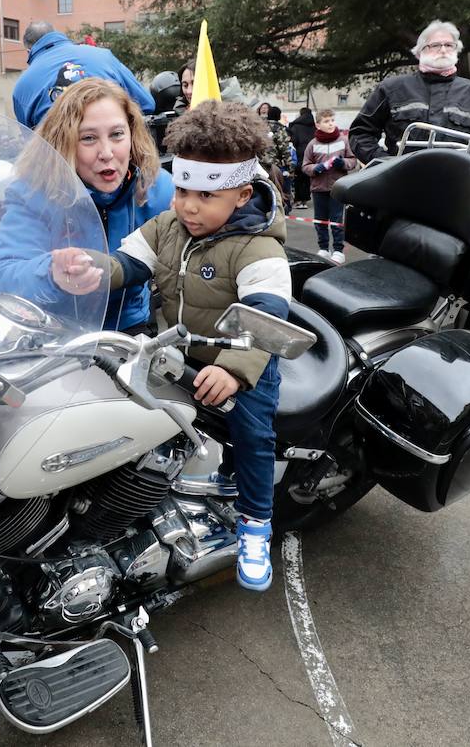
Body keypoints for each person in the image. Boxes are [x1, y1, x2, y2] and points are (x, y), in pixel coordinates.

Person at [51, 99, 289, 591]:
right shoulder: (168, 227)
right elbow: (127, 264)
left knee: (253, 437)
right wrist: (91, 270)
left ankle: (255, 525)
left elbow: (267, 318)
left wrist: (236, 369)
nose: (188, 205)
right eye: (181, 189)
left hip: (240, 362)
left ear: (243, 195)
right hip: (174, 351)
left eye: (205, 195)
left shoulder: (260, 249)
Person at [0, 77, 174, 332]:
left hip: (130, 329)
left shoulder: (159, 188)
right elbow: (1, 276)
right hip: (54, 332)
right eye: (88, 138)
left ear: (132, 134)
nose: (106, 152)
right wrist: (51, 272)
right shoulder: (33, 192)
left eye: (117, 134)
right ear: (64, 142)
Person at [348, 20, 470, 163]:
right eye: (435, 45)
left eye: (449, 45)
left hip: (457, 183)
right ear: (419, 51)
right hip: (401, 183)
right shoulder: (392, 88)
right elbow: (360, 133)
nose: (443, 50)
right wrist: (385, 164)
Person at [13, 21, 154, 129]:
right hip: (117, 156)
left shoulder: (22, 85)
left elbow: (31, 142)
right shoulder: (103, 56)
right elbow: (147, 105)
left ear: (28, 50)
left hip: (62, 162)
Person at [302, 110, 358, 262]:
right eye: (326, 121)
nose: (331, 123)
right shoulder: (312, 144)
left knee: (336, 219)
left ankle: (338, 250)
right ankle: (323, 248)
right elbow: (305, 165)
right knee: (320, 220)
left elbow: (353, 161)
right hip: (318, 189)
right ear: (318, 124)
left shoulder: (343, 140)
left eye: (332, 120)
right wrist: (316, 168)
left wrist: (343, 163)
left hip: (337, 188)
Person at [287, 107, 315, 208]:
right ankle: (305, 200)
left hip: (299, 154)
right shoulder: (314, 127)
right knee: (307, 178)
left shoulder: (296, 126)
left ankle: (298, 200)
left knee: (298, 178)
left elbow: (293, 141)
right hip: (311, 155)